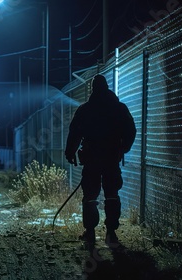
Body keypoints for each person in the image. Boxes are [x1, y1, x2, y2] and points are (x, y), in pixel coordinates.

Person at [65, 74, 136, 248]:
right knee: (112, 194)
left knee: (90, 195)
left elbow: (75, 132)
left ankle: (90, 232)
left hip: (92, 158)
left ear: (92, 89)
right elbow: (131, 130)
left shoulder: (85, 110)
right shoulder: (119, 108)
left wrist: (70, 152)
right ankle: (111, 233)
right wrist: (123, 148)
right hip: (111, 158)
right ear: (107, 87)